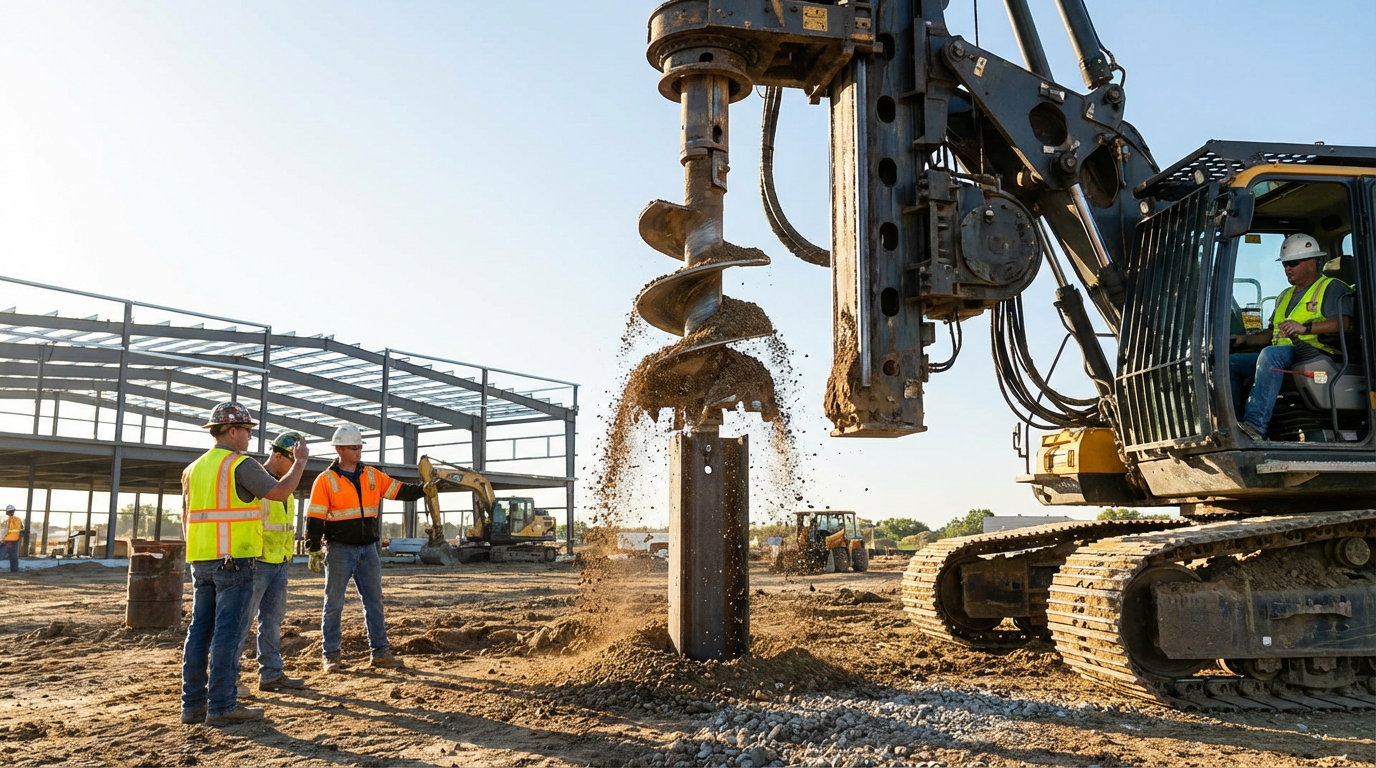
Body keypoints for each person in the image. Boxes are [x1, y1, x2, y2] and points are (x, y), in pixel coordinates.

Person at [180, 402, 307, 727]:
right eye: (247, 430)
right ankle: (222, 705)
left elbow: (187, 518)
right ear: (231, 431)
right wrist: (301, 463)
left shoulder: (193, 469)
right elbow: (278, 492)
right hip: (233, 562)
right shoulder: (240, 464)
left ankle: (193, 706)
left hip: (201, 560)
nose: (251, 436)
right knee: (226, 633)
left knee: (199, 633)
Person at [307, 424, 429, 673]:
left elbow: (399, 490)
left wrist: (423, 490)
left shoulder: (372, 475)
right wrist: (314, 550)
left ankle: (381, 654)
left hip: (368, 549)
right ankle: (330, 656)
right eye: (353, 447)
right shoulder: (325, 480)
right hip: (340, 550)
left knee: (374, 602)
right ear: (339, 448)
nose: (358, 451)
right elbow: (315, 518)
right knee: (334, 604)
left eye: (360, 446)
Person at [1230, 233, 1354, 440]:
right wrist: (1245, 340)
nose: (1287, 268)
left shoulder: (1331, 287)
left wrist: (1305, 328)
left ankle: (1255, 426)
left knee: (1270, 356)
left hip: (1315, 353)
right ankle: (1232, 425)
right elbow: (1272, 334)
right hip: (1283, 353)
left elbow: (1344, 323)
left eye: (1293, 263)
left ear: (1312, 263)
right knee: (1231, 364)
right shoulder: (1284, 296)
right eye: (1285, 264)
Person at [247, 431, 309, 692]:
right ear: (276, 454)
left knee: (271, 621)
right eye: (292, 459)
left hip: (280, 561)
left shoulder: (288, 487)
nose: (296, 465)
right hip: (257, 562)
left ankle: (271, 674)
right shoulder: (255, 480)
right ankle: (231, 680)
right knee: (241, 622)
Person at [3, 505, 22, 573]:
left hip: (7, 539)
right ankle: (14, 570)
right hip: (15, 539)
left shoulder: (7, 520)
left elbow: (6, 530)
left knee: (2, 554)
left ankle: (14, 569)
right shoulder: (18, 519)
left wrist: (3, 538)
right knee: (14, 555)